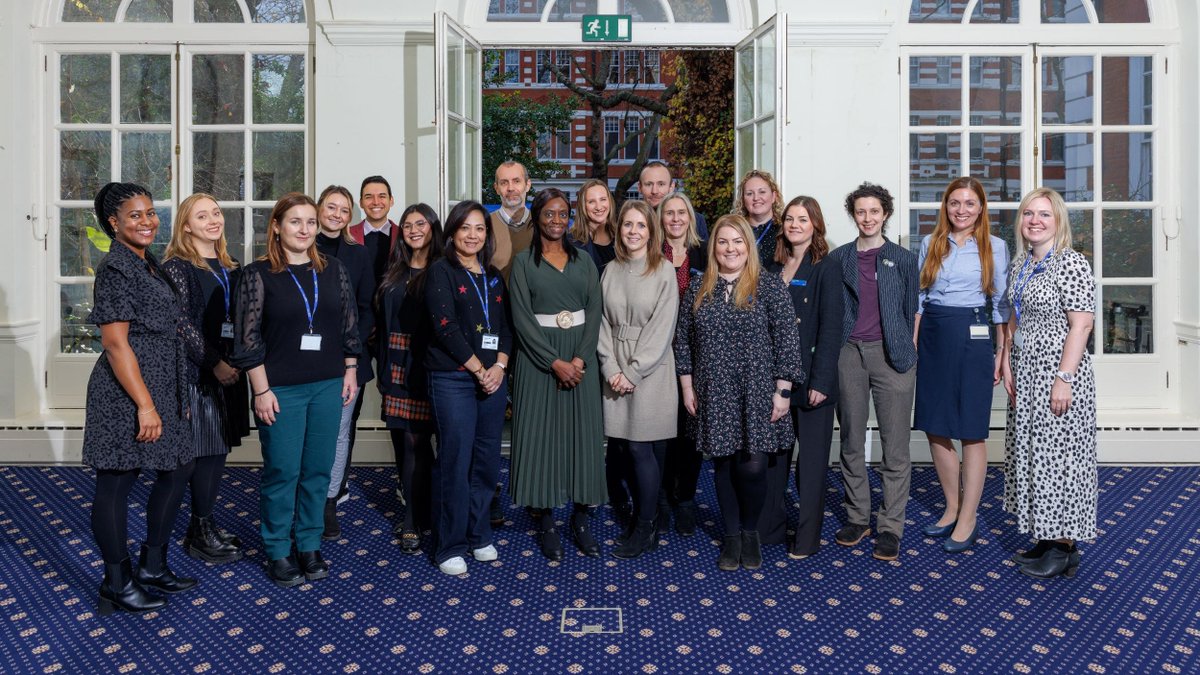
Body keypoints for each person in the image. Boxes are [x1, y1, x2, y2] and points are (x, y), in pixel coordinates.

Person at [232, 192, 360, 588]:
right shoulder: (257, 274)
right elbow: (246, 339)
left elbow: (349, 326)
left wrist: (351, 369)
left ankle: (308, 543)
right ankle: (277, 549)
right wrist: (260, 390)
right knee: (283, 472)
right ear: (277, 226)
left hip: (327, 384)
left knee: (317, 470)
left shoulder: (333, 269)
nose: (304, 229)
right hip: (279, 389)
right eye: (295, 222)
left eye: (310, 222)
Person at [84, 182, 196, 615]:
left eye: (150, 213)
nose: (148, 222)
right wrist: (145, 405)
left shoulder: (147, 262)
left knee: (180, 464)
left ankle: (152, 564)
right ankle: (116, 581)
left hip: (161, 383)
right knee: (116, 482)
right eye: (136, 215)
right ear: (114, 223)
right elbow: (115, 344)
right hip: (125, 392)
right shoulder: (116, 268)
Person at [674, 214, 802, 571]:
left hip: (758, 390)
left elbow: (787, 341)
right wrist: (687, 387)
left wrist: (783, 391)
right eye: (723, 242)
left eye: (738, 241)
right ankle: (731, 537)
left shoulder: (769, 286)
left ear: (748, 247)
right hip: (713, 390)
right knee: (724, 465)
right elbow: (682, 340)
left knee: (753, 466)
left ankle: (751, 532)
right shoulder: (700, 288)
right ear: (713, 247)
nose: (730, 248)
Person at [1000, 187, 1096, 579]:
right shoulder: (1023, 263)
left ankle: (1064, 546)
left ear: (1058, 221)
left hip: (1058, 372)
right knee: (1035, 455)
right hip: (1027, 370)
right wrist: (1005, 359)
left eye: (1043, 215)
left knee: (1061, 459)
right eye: (1028, 214)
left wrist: (1064, 379)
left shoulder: (1070, 263)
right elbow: (1014, 316)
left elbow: (1082, 324)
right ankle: (1047, 537)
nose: (1034, 221)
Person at [508, 187, 606, 561]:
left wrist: (580, 360)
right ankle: (547, 522)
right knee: (541, 440)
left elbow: (594, 311)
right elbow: (522, 321)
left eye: (562, 214)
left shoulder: (584, 261)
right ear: (537, 217)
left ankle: (580, 521)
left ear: (570, 218)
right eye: (548, 214)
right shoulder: (522, 263)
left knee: (583, 439)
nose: (556, 221)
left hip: (581, 361)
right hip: (539, 364)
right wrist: (555, 362)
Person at [915, 177, 1010, 553]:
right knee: (934, 425)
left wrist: (1003, 351)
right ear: (946, 206)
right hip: (935, 333)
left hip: (974, 333)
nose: (962, 210)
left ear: (981, 208)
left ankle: (969, 518)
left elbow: (1002, 302)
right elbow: (920, 299)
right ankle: (951, 507)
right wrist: (913, 342)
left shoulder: (995, 247)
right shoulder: (929, 242)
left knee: (972, 428)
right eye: (955, 203)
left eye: (970, 204)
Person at [829, 182, 919, 562]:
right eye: (861, 212)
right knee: (851, 439)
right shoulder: (838, 259)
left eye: (874, 211)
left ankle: (890, 527)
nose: (867, 218)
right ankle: (857, 517)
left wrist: (907, 348)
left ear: (885, 214)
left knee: (895, 448)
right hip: (849, 354)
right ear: (854, 215)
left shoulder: (903, 258)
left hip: (892, 357)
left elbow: (912, 308)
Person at [424, 200, 513, 575]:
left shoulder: (492, 275)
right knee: (455, 460)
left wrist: (501, 366)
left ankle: (479, 536)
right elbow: (445, 327)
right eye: (465, 228)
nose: (473, 235)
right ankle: (450, 545)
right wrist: (481, 369)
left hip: (492, 379)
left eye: (479, 229)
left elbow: (507, 327)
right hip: (454, 379)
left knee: (486, 461)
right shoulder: (440, 272)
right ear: (452, 232)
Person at [162, 193, 251, 565]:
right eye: (202, 216)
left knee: (218, 451)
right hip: (197, 372)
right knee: (203, 451)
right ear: (186, 226)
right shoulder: (177, 267)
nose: (213, 220)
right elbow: (181, 323)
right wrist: (214, 363)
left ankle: (204, 524)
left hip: (229, 371)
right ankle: (199, 532)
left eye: (216, 213)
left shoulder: (231, 267)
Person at [597, 200, 679, 559]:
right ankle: (641, 517)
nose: (633, 231)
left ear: (651, 230)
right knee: (622, 449)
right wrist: (610, 368)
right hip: (614, 367)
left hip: (650, 370)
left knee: (640, 448)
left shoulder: (663, 271)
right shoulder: (609, 270)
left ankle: (646, 527)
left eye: (640, 225)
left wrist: (631, 371)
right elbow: (599, 323)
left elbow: (662, 330)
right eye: (627, 225)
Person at [765, 196, 844, 560]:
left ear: (816, 225)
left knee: (811, 468)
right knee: (774, 461)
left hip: (812, 380)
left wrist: (821, 382)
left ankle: (808, 539)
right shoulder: (772, 265)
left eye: (803, 219)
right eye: (790, 219)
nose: (795, 225)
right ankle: (772, 529)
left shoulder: (826, 267)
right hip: (776, 380)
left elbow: (831, 329)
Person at [376, 203, 442, 553]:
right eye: (407, 224)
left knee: (420, 443)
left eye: (421, 223)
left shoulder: (443, 269)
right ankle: (420, 506)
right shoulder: (395, 269)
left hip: (427, 365)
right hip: (395, 362)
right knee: (402, 442)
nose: (414, 229)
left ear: (433, 227)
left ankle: (413, 518)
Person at [314, 185, 376, 541]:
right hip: (303, 359)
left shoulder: (359, 255)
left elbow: (367, 307)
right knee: (309, 434)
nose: (337, 214)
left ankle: (329, 501)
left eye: (343, 210)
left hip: (348, 360)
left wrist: (349, 348)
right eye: (331, 207)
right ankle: (305, 497)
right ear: (319, 208)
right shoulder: (299, 245)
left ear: (350, 216)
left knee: (339, 434)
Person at [655, 191, 707, 536]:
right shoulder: (650, 254)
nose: (675, 218)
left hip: (699, 352)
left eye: (681, 213)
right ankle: (658, 496)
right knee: (660, 428)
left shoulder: (705, 253)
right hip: (658, 353)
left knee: (691, 427)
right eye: (669, 213)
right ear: (661, 220)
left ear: (690, 218)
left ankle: (685, 497)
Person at [489, 160, 535, 278]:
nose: (510, 188)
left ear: (528, 185)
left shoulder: (540, 225)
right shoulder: (485, 225)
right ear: (496, 188)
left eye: (516, 181)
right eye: (504, 183)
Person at [639, 160, 707, 238]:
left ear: (671, 187)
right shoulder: (631, 221)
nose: (654, 191)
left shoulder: (696, 221)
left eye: (661, 184)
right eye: (648, 184)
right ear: (639, 187)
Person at [349, 175, 398, 281]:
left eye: (382, 196)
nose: (376, 202)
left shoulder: (404, 235)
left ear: (391, 200)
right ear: (361, 203)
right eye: (369, 197)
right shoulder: (347, 235)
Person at [733, 169, 785, 268]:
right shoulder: (734, 230)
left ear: (774, 196)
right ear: (743, 199)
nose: (756, 198)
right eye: (749, 193)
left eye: (762, 192)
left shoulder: (784, 231)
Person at [570, 178, 618, 272]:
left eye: (603, 199)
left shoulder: (622, 237)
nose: (599, 207)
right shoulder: (572, 242)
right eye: (591, 202)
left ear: (610, 201)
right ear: (583, 206)